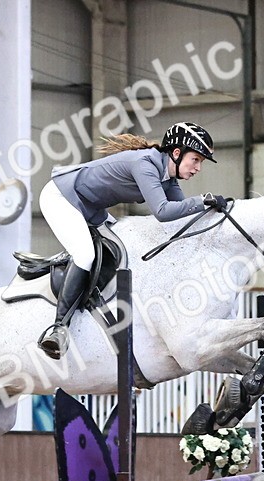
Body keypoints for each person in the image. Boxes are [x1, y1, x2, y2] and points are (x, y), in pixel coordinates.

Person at [35, 121, 228, 359]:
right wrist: (203, 200)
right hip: (62, 197)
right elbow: (163, 212)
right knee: (85, 255)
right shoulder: (145, 164)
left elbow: (182, 215)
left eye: (200, 162)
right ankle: (58, 328)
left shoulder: (168, 178)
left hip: (91, 208)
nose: (198, 168)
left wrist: (212, 211)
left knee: (122, 243)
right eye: (196, 159)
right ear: (177, 153)